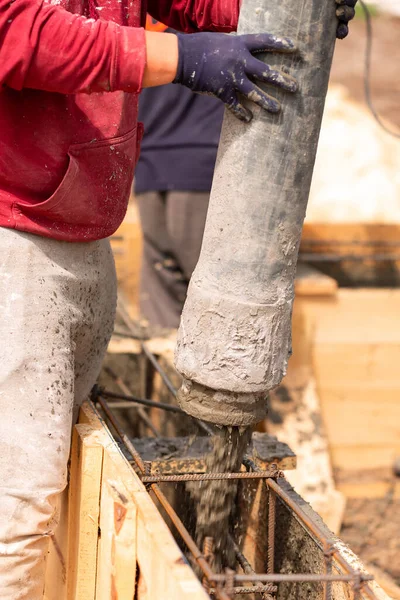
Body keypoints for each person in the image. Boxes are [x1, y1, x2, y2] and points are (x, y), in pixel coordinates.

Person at [0, 0, 356, 597]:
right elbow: (14, 31)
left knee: (55, 470)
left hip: (77, 227)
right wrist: (177, 56)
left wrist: (281, 8)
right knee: (18, 493)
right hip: (16, 235)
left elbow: (183, 2)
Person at [136, 16, 224, 328]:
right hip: (201, 164)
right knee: (220, 292)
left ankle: (168, 375)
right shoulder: (216, 13)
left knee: (163, 287)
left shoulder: (143, 16)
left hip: (150, 163)